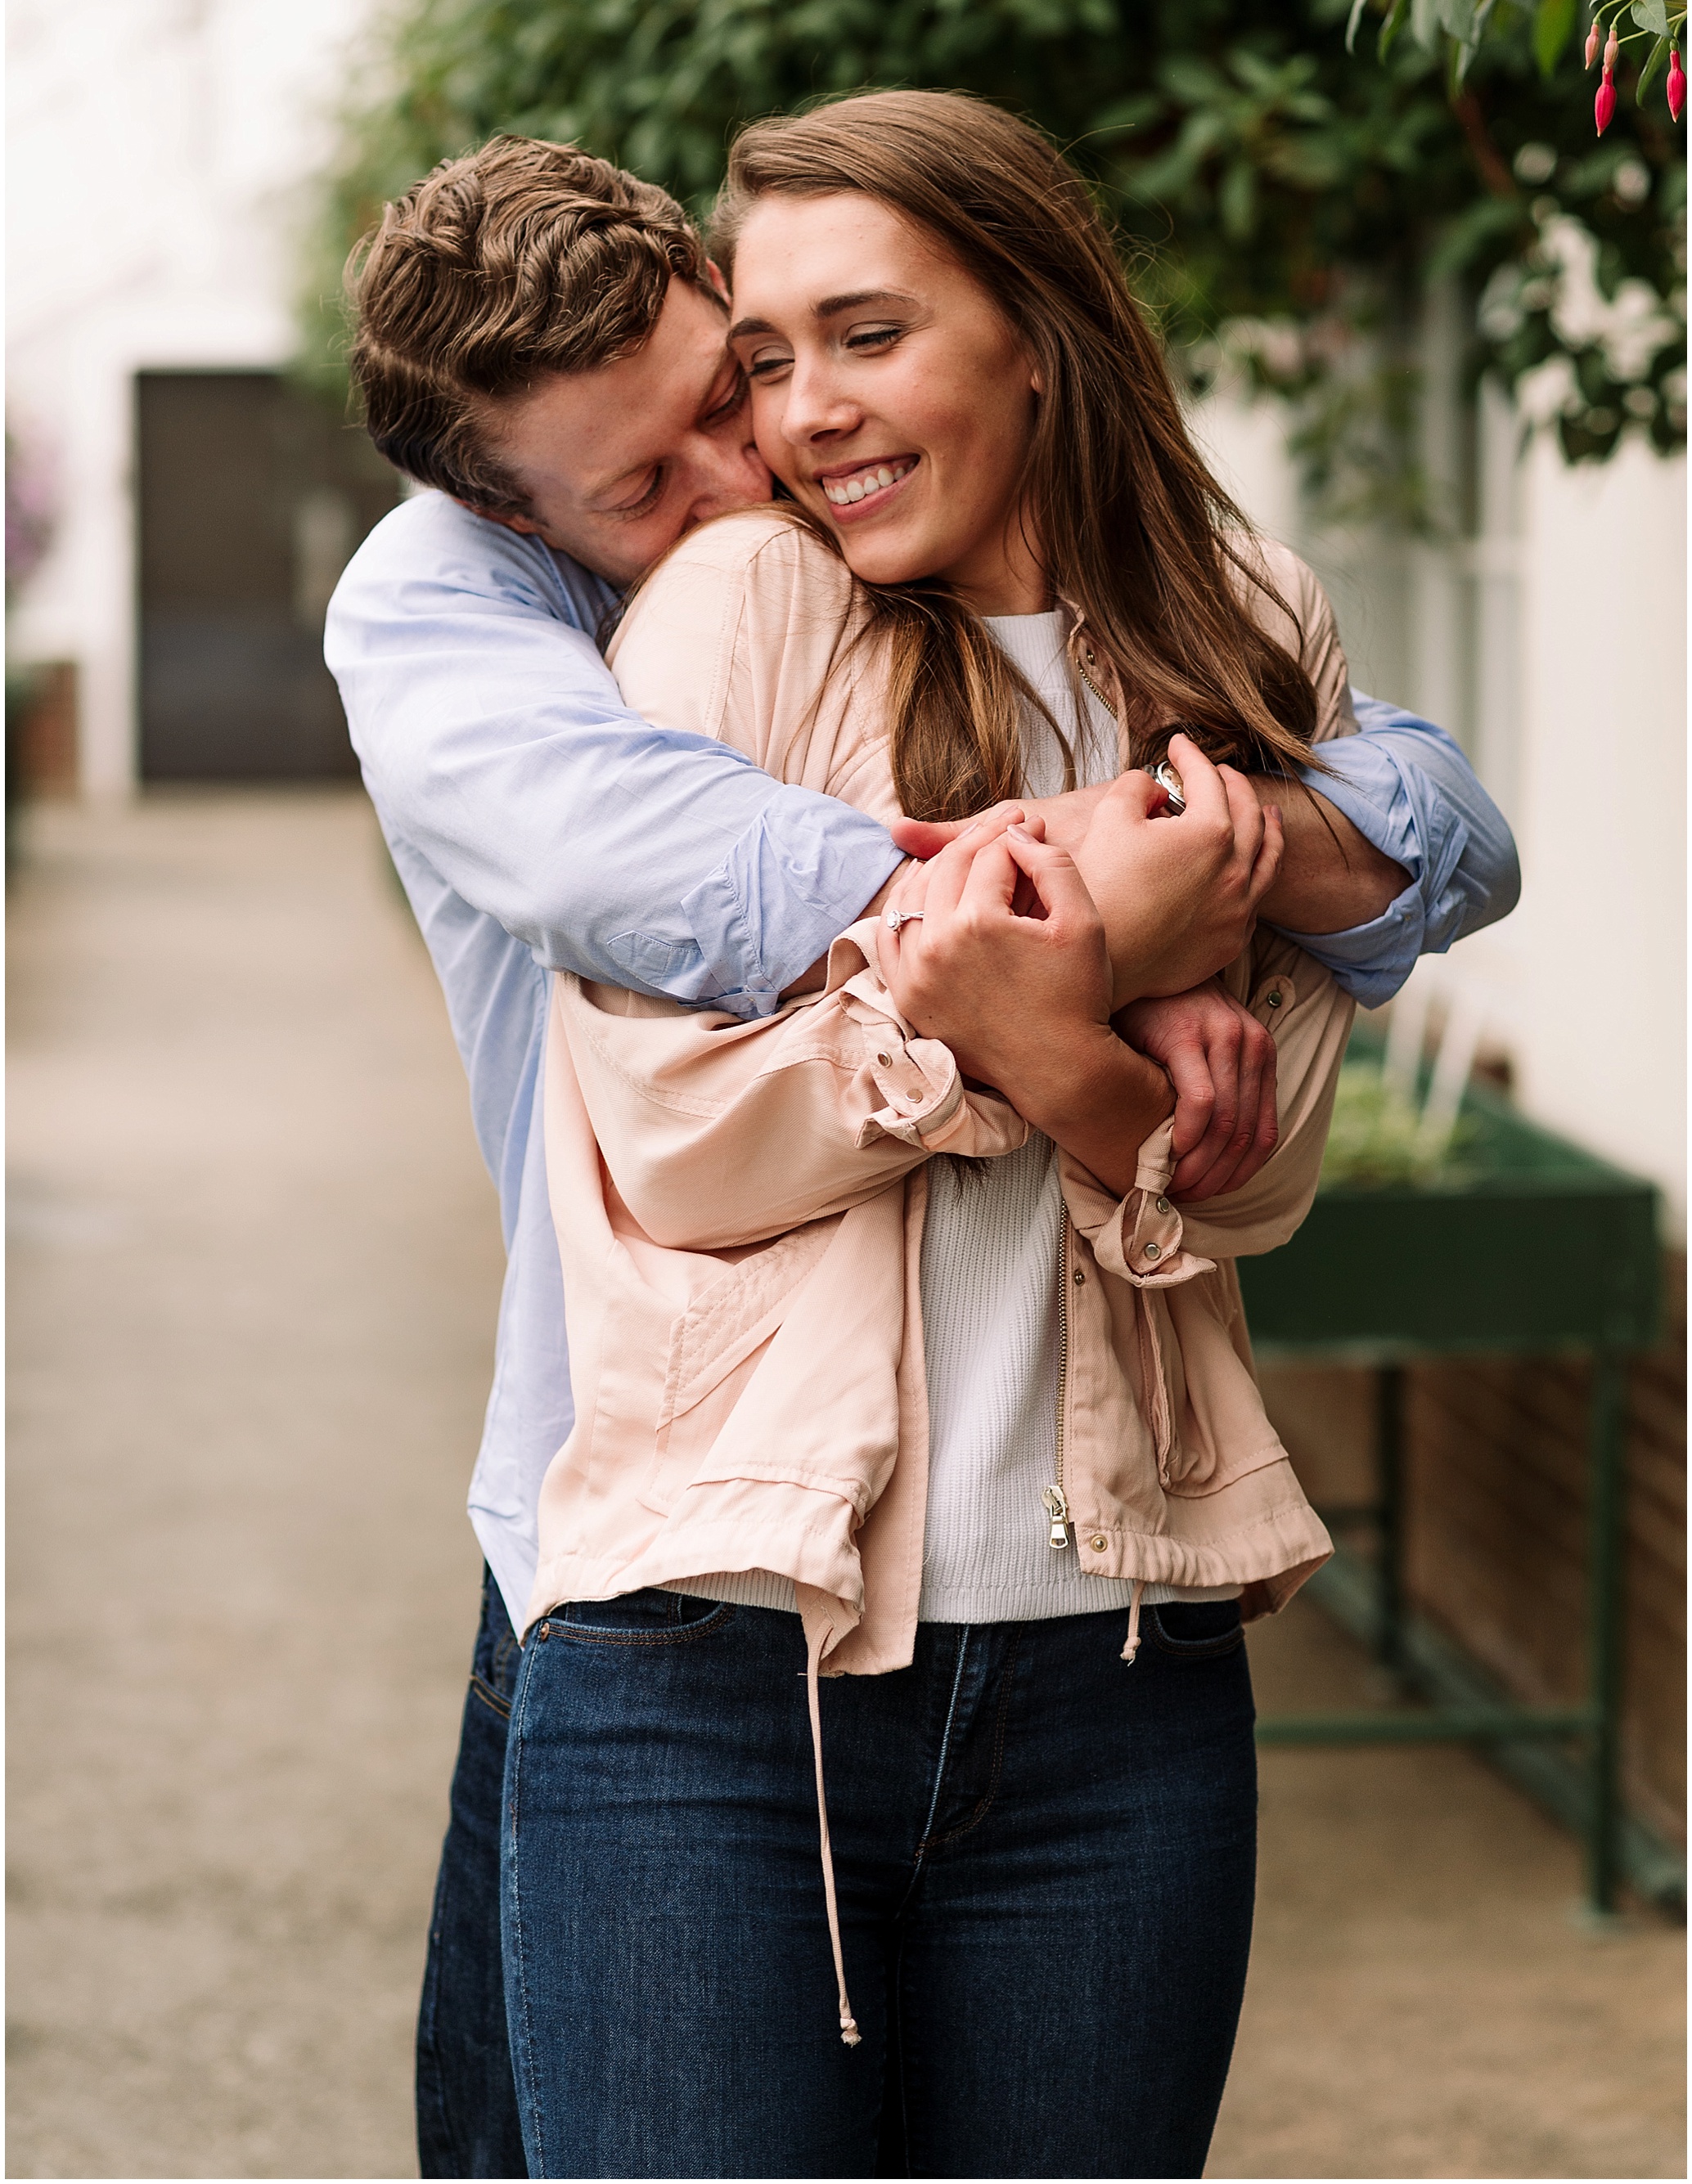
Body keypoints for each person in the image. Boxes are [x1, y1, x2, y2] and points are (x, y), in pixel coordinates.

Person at [324, 130, 1519, 2178]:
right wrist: (1078, 967)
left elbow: (1261, 1158)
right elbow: (677, 1131)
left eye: (775, 367)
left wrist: (1092, 1031)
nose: (761, 449)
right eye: (683, 447)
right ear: (522, 509)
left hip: (1110, 1646)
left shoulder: (1225, 631)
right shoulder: (569, 614)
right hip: (681, 1582)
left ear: (1036, 337)